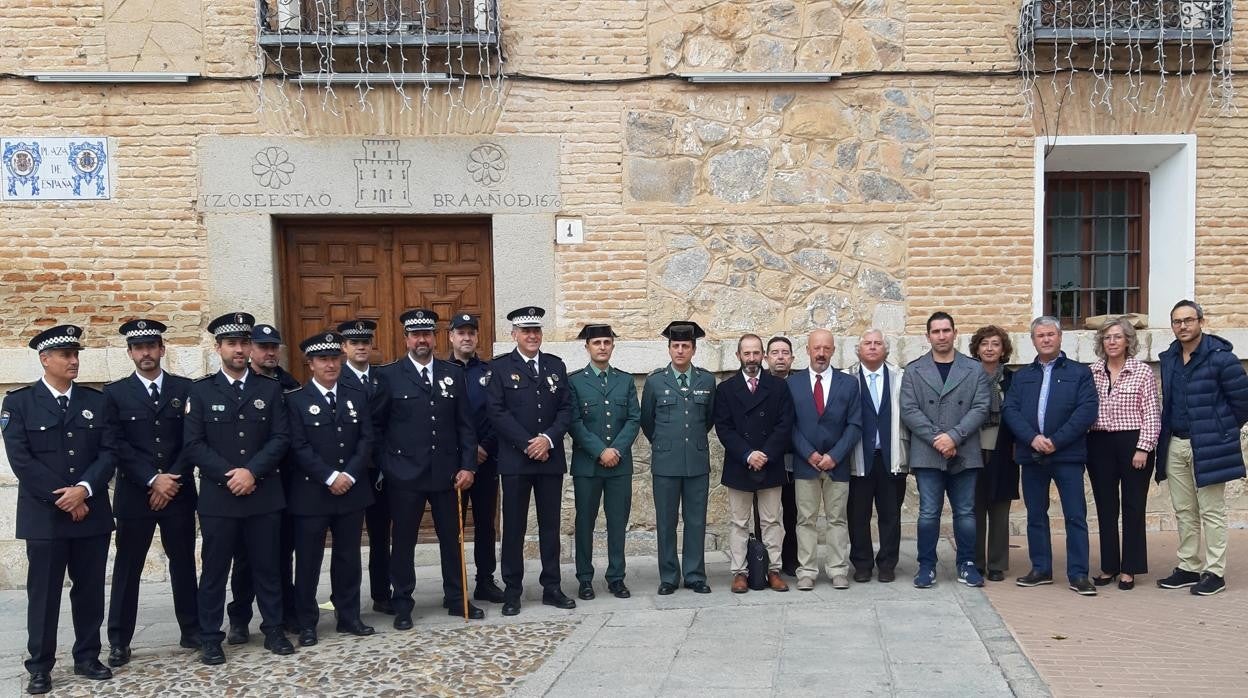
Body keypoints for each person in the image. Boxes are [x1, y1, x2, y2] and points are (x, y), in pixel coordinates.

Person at [2, 324, 118, 694]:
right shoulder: (19, 403)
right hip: (45, 516)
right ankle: (40, 665)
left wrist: (83, 490)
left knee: (89, 591)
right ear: (44, 359)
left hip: (91, 511)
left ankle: (87, 656)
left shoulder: (96, 402)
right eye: (66, 355)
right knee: (44, 594)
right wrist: (63, 497)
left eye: (76, 354)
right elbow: (21, 459)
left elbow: (108, 453)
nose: (74, 360)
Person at [183, 312, 294, 664]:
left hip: (263, 493)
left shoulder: (270, 389)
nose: (240, 349)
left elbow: (281, 438)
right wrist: (232, 474)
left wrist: (252, 472)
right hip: (220, 497)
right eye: (232, 343)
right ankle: (211, 636)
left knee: (268, 566)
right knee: (215, 571)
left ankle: (273, 629)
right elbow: (193, 444)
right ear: (218, 348)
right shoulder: (199, 392)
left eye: (245, 343)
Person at [373, 309, 482, 627]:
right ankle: (403, 602)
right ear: (406, 339)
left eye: (427, 334)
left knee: (453, 538)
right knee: (404, 541)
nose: (422, 340)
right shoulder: (389, 375)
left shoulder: (452, 373)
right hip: (405, 475)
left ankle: (457, 597)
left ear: (435, 338)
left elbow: (465, 425)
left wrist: (468, 466)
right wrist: (389, 465)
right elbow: (377, 427)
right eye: (416, 335)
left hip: (448, 474)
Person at [103, 319, 199, 668]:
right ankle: (119, 640)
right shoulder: (114, 394)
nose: (146, 353)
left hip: (178, 491)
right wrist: (150, 479)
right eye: (139, 348)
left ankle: (192, 629)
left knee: (184, 563)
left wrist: (169, 479)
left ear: (162, 349)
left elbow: (193, 440)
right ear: (130, 353)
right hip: (135, 494)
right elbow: (115, 444)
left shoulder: (186, 389)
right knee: (128, 568)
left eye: (151, 346)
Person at [285, 332, 377, 646]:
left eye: (334, 358)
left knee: (348, 557)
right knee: (309, 561)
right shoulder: (296, 400)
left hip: (351, 490)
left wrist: (349, 475)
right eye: (322, 359)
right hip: (312, 493)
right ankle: (307, 621)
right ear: (310, 364)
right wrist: (329, 476)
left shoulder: (356, 395)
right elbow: (297, 446)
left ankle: (349, 615)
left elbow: (367, 439)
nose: (330, 365)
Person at [486, 306, 576, 615]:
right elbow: (496, 412)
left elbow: (566, 408)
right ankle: (513, 590)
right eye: (526, 331)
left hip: (549, 458)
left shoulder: (555, 366)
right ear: (514, 335)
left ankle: (552, 586)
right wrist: (528, 443)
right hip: (516, 461)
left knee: (550, 526)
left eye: (536, 331)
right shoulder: (498, 369)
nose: (532, 336)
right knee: (514, 528)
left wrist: (548, 439)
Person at [1155, 300, 1248, 596]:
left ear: (1201, 322)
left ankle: (1215, 572)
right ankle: (1188, 566)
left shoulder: (1222, 358)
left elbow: (1242, 403)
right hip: (1176, 443)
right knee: (1184, 510)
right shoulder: (1169, 357)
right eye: (1176, 321)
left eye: (1188, 320)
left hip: (1209, 444)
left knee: (1211, 510)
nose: (1182, 326)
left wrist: (1220, 430)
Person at [1002, 316, 1099, 596]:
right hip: (1031, 455)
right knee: (1035, 514)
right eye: (1040, 335)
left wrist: (1056, 441)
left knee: (1075, 515)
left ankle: (1078, 573)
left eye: (1051, 335)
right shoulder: (1022, 376)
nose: (1045, 339)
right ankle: (1041, 568)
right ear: (1033, 340)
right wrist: (1032, 438)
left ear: (1060, 338)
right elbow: (1011, 410)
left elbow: (1086, 411)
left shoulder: (1080, 373)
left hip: (1067, 455)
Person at [900, 312, 991, 589]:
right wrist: (937, 439)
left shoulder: (973, 369)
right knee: (928, 512)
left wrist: (954, 437)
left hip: (964, 451)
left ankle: (966, 564)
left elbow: (981, 406)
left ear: (955, 333)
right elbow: (909, 409)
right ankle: (926, 566)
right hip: (928, 452)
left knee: (965, 512)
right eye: (936, 331)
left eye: (946, 330)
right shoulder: (914, 370)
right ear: (927, 336)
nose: (941, 336)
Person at [230, 323, 300, 639]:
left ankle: (284, 613)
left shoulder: (289, 384)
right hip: (244, 481)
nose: (270, 352)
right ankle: (240, 617)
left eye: (274, 347)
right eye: (263, 347)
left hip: (282, 482)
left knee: (282, 552)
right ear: (251, 350)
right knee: (244, 556)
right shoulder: (241, 385)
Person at [713, 334, 794, 593]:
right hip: (740, 462)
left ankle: (773, 570)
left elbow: (785, 424)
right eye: (746, 354)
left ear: (763, 355)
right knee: (739, 521)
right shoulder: (725, 389)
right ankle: (739, 572)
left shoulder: (779, 387)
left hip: (770, 462)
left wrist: (765, 453)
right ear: (738, 356)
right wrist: (748, 454)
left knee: (772, 520)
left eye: (756, 353)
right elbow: (723, 428)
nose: (751, 358)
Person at [640, 321, 717, 595]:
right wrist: (666, 443)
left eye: (685, 346)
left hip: (696, 461)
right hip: (666, 462)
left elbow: (708, 419)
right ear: (669, 349)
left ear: (694, 349)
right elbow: (647, 421)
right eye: (676, 346)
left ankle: (695, 574)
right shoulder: (655, 381)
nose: (680, 350)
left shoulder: (707, 380)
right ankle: (669, 576)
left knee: (696, 520)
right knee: (666, 521)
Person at [567, 324, 641, 600]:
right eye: (596, 342)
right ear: (587, 347)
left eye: (606, 342)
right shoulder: (574, 381)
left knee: (617, 522)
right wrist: (600, 451)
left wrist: (616, 450)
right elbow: (573, 422)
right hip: (588, 466)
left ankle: (616, 577)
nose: (601, 347)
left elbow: (634, 419)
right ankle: (585, 578)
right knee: (585, 522)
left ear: (612, 346)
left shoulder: (624, 380)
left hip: (619, 465)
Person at [1086, 317, 1161, 591]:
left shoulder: (1142, 372)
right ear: (1101, 342)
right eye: (1107, 337)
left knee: (1133, 506)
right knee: (1106, 507)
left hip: (1133, 443)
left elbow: (1152, 414)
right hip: (1099, 443)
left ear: (1128, 341)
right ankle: (1109, 566)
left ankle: (1129, 568)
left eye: (1118, 337)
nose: (1112, 342)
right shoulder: (1092, 372)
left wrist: (1143, 448)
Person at [787, 329, 861, 591]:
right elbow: (790, 425)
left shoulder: (849, 384)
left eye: (826, 348)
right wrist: (808, 453)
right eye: (816, 348)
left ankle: (837, 568)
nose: (821, 353)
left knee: (837, 519)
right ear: (807, 350)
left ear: (833, 350)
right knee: (805, 519)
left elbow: (854, 425)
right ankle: (806, 570)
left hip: (837, 465)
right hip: (804, 463)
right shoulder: (792, 384)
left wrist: (835, 455)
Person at [446, 312, 506, 604]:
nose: (466, 338)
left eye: (471, 333)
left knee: (485, 524)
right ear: (451, 337)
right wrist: (464, 454)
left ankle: (485, 580)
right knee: (452, 526)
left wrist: (484, 447)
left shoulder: (490, 372)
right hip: (453, 463)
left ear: (477, 337)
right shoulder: (441, 371)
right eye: (461, 333)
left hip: (486, 459)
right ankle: (456, 586)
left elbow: (498, 413)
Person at [336, 318, 393, 614]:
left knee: (381, 535)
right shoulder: (334, 378)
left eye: (365, 342)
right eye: (354, 342)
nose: (361, 347)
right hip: (348, 471)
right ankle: (345, 601)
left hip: (380, 470)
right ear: (344, 347)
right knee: (347, 541)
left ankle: (382, 594)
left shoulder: (383, 379)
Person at [844, 329, 909, 584]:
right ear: (858, 349)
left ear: (886, 349)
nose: (872, 347)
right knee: (857, 515)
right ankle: (861, 564)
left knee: (890, 514)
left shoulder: (901, 377)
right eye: (867, 343)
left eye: (877, 343)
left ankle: (887, 564)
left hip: (891, 456)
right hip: (858, 457)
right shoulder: (847, 378)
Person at [969, 325, 1019, 582]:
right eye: (984, 343)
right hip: (973, 449)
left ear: (1003, 350)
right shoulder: (968, 376)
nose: (989, 348)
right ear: (977, 348)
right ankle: (976, 562)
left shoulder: (1012, 379)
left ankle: (997, 563)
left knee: (1000, 510)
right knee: (974, 509)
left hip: (1004, 450)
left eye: (995, 344)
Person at [764, 336, 799, 577]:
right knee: (766, 515)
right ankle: (763, 560)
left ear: (792, 358)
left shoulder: (801, 383)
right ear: (766, 357)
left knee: (793, 512)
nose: (780, 357)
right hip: (767, 459)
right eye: (774, 352)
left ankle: (791, 560)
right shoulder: (758, 383)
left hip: (796, 458)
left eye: (785, 353)